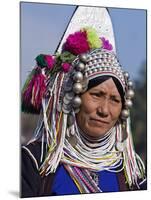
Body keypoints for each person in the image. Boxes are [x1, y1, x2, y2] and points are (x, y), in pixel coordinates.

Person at [21, 6, 146, 198]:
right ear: (73, 97)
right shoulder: (35, 162)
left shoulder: (132, 174)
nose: (104, 110)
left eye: (114, 100)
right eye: (96, 94)